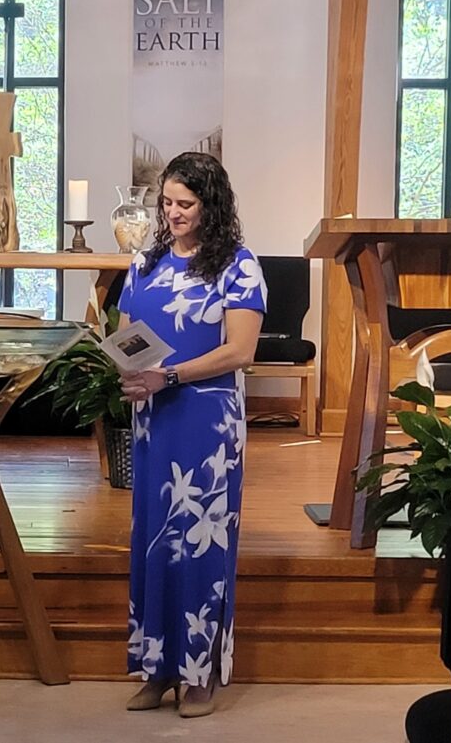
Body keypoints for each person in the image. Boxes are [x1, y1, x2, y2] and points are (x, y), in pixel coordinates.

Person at [118, 152, 266, 719]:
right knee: (154, 538)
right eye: (168, 203)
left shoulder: (238, 265)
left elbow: (240, 351)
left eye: (186, 204)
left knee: (201, 542)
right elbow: (131, 332)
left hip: (206, 420)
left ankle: (200, 677)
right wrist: (130, 370)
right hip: (155, 418)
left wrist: (169, 375)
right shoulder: (145, 262)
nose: (173, 212)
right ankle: (156, 668)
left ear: (211, 205)